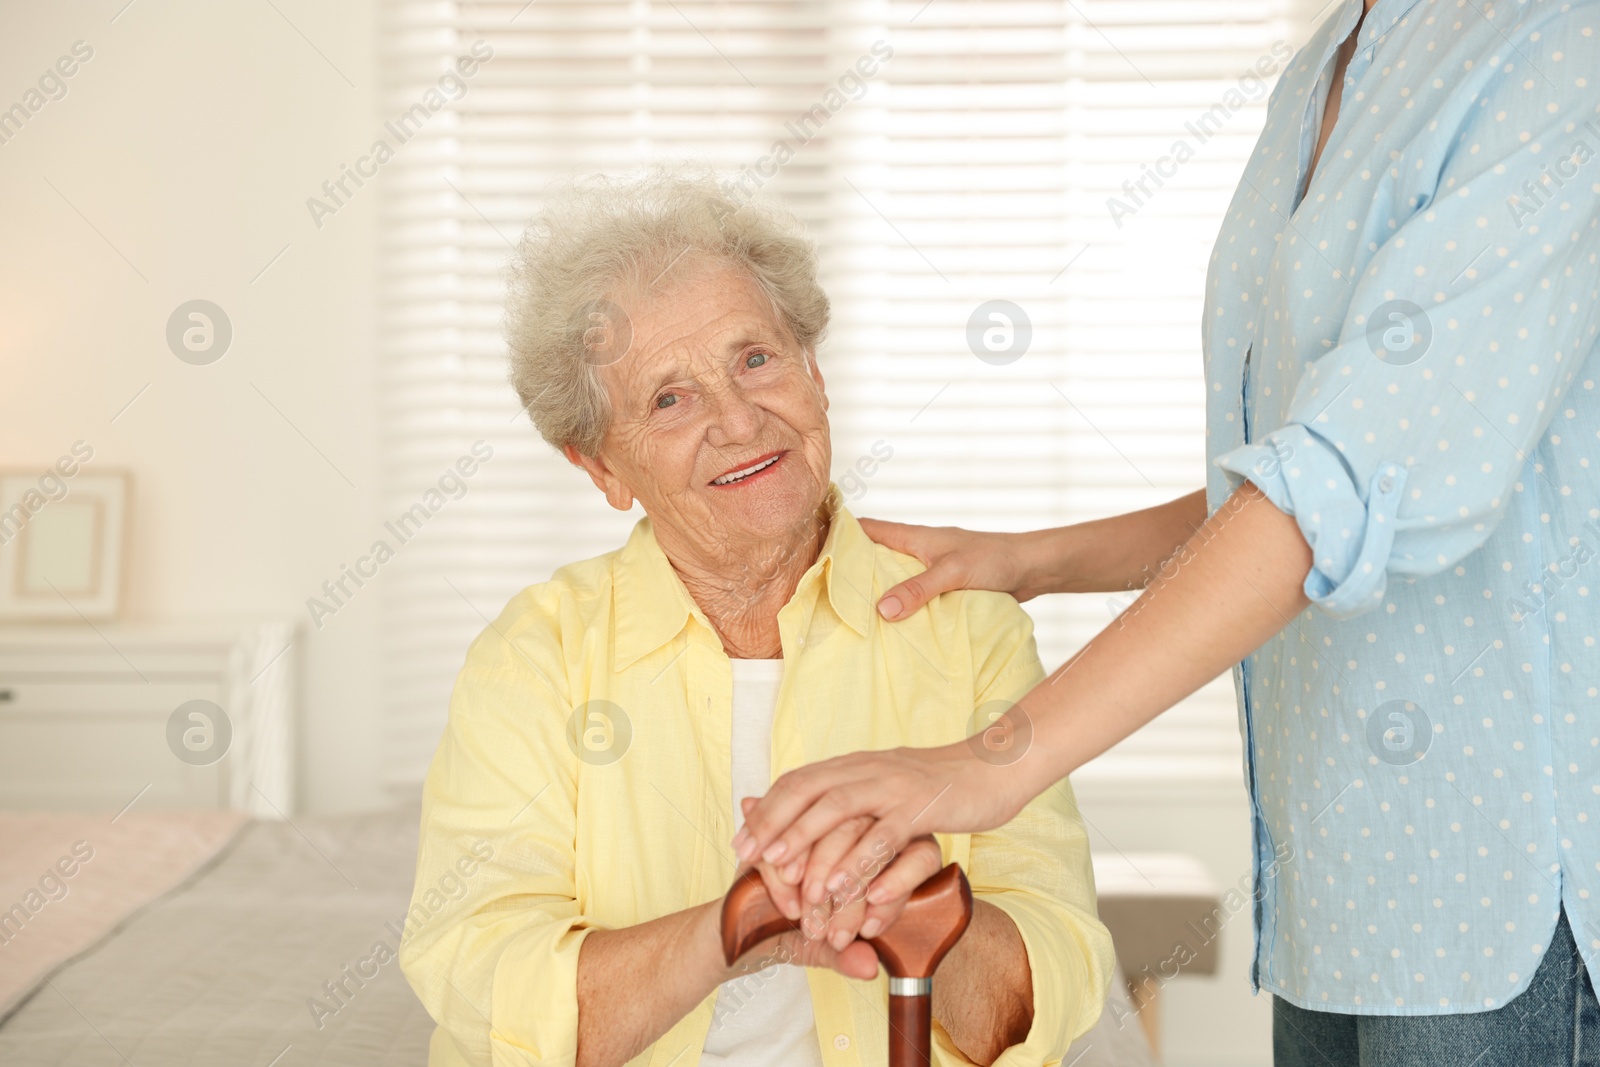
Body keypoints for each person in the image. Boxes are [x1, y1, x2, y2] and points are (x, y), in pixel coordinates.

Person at [733, 1, 1600, 1063]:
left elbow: (1338, 487)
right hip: (1341, 892)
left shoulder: (1553, 45)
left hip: (1497, 895)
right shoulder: (1330, 62)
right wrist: (1033, 562)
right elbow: (1310, 465)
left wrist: (985, 762)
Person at [397, 172, 1113, 1067]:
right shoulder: (536, 654)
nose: (739, 420)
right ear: (601, 468)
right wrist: (742, 924)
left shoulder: (965, 627)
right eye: (668, 398)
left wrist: (923, 904)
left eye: (756, 359)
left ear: (814, 374)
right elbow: (483, 984)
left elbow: (1047, 990)